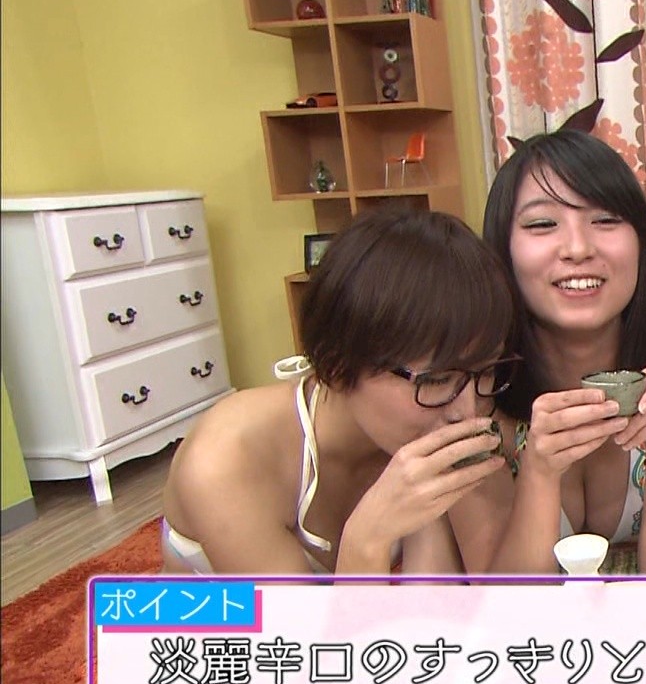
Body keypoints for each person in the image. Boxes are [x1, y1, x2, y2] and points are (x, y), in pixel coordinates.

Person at [161, 209, 517, 575]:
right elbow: (300, 617)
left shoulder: (420, 427)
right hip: (205, 611)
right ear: (335, 365)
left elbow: (430, 599)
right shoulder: (226, 460)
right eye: (436, 379)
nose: (468, 410)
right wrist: (366, 539)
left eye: (487, 370)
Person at [448, 129, 646, 575]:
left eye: (606, 220)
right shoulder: (468, 395)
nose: (578, 249)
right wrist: (539, 472)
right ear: (502, 249)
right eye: (542, 224)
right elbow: (505, 602)